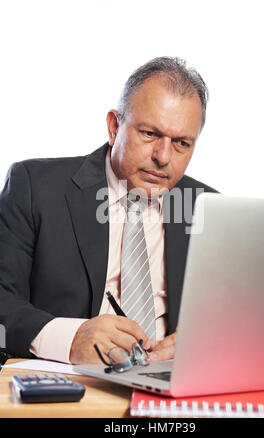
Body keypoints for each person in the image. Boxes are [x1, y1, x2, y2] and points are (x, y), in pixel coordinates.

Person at [0, 57, 217, 365]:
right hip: (68, 383)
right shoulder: (34, 187)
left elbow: (251, 316)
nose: (163, 156)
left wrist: (206, 343)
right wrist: (69, 338)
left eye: (181, 142)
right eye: (149, 134)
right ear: (114, 127)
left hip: (171, 386)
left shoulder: (211, 209)